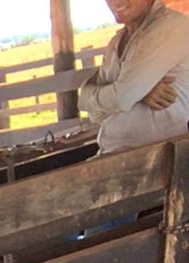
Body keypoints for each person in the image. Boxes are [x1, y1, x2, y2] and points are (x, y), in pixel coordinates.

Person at [79, 0, 189, 154]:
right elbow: (93, 114)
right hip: (119, 157)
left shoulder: (171, 26)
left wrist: (127, 95)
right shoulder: (115, 43)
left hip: (158, 159)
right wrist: (140, 94)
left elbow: (121, 98)